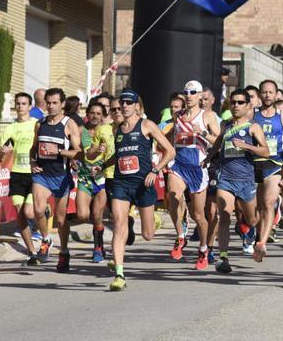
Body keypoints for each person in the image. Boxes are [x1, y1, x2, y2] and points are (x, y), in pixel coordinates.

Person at [106, 88, 175, 291]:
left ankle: (152, 218)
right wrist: (101, 166)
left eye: (128, 103)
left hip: (143, 183)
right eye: (122, 104)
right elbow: (118, 156)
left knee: (148, 235)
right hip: (121, 183)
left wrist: (155, 170)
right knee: (119, 224)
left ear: (137, 105)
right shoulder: (116, 129)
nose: (124, 107)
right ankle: (119, 274)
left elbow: (170, 151)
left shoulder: (147, 125)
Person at [204, 89, 269, 273]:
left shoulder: (253, 127)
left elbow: (265, 151)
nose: (236, 106)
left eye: (240, 102)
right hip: (226, 178)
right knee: (223, 214)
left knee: (253, 219)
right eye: (233, 102)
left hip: (246, 180)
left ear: (249, 105)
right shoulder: (225, 125)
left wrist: (246, 146)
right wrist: (208, 158)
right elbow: (218, 142)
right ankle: (223, 257)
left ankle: (255, 237)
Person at [167, 80, 220, 269]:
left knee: (199, 216)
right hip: (179, 164)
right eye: (186, 92)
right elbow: (169, 137)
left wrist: (203, 133)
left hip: (197, 168)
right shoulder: (177, 116)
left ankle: (204, 249)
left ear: (200, 96)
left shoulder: (208, 116)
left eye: (193, 92)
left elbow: (218, 141)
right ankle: (180, 236)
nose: (188, 95)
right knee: (172, 196)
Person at [29, 88, 82, 271]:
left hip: (61, 176)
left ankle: (64, 251)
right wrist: (32, 161)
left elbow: (79, 152)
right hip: (42, 174)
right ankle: (46, 239)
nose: (50, 106)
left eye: (54, 103)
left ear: (62, 104)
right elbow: (33, 147)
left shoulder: (69, 124)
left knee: (60, 220)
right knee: (38, 209)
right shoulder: (40, 123)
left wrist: (59, 151)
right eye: (48, 102)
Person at [0, 92, 38, 264]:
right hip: (17, 174)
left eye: (24, 104)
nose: (20, 107)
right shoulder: (11, 128)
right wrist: (2, 152)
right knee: (20, 215)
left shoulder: (37, 125)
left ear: (30, 106)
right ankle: (32, 252)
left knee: (29, 212)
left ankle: (42, 211)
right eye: (18, 104)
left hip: (35, 174)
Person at [251, 80, 283, 260]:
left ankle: (262, 243)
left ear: (276, 95)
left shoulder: (281, 116)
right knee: (257, 208)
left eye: (270, 92)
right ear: (259, 94)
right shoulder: (253, 114)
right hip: (254, 162)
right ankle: (259, 235)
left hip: (274, 163)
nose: (267, 95)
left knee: (266, 203)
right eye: (264, 92)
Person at [79, 100, 115, 263]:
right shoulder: (81, 131)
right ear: (87, 115)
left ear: (103, 116)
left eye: (98, 113)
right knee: (82, 214)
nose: (95, 116)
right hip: (85, 177)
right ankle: (98, 234)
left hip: (101, 178)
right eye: (92, 113)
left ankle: (98, 247)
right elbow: (80, 152)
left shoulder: (108, 131)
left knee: (97, 214)